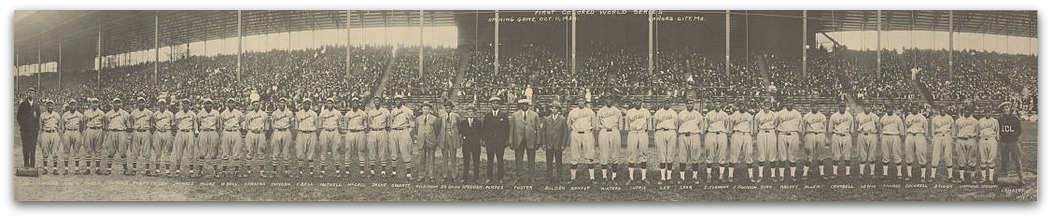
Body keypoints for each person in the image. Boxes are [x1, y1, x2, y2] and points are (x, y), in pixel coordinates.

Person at [509, 98, 541, 184]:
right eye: (522, 104)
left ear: (528, 105)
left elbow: (538, 129)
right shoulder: (515, 115)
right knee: (518, 159)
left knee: (531, 159)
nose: (524, 106)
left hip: (531, 140)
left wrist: (538, 141)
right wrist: (511, 141)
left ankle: (531, 177)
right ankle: (519, 176)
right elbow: (511, 129)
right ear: (520, 105)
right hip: (519, 140)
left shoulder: (534, 115)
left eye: (526, 104)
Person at [567, 96, 596, 184]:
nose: (581, 102)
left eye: (582, 101)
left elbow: (594, 125)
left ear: (585, 102)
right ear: (577, 102)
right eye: (579, 101)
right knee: (574, 155)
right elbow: (569, 124)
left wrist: (589, 131)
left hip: (587, 133)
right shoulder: (572, 112)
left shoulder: (590, 112)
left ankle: (592, 178)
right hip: (576, 133)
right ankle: (572, 178)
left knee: (590, 155)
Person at [482, 96, 509, 184]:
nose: (495, 104)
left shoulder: (503, 115)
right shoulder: (487, 115)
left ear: (499, 104)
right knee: (490, 159)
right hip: (490, 141)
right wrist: (484, 140)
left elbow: (506, 129)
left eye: (496, 103)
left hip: (500, 141)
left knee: (500, 159)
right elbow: (484, 129)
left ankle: (500, 177)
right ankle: (489, 177)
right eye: (493, 103)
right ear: (491, 104)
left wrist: (506, 140)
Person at [595, 96, 622, 183]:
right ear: (605, 100)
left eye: (610, 99)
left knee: (615, 154)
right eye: (607, 99)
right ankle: (604, 176)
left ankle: (614, 177)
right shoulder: (600, 111)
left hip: (614, 131)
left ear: (612, 100)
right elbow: (598, 124)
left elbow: (620, 124)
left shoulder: (617, 111)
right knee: (604, 154)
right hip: (604, 130)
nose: (609, 100)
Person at [624, 97, 651, 184]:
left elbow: (649, 123)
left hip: (642, 132)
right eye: (636, 101)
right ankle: (631, 177)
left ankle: (643, 177)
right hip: (633, 132)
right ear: (633, 102)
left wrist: (646, 130)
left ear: (642, 102)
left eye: (639, 101)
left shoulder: (646, 111)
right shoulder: (630, 112)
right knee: (631, 154)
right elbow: (627, 126)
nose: (637, 102)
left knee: (643, 154)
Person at [997, 102, 1025, 184]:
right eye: (1004, 108)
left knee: (1017, 159)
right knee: (1004, 160)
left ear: (1009, 109)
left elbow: (1019, 130)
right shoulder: (1000, 119)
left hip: (1013, 142)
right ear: (1002, 110)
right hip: (1004, 142)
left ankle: (1020, 176)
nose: (1005, 110)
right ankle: (1004, 175)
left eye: (1006, 108)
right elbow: (999, 131)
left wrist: (1012, 136)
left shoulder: (1015, 118)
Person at [678, 98, 704, 184]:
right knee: (682, 156)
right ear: (686, 104)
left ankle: (694, 177)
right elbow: (677, 125)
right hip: (683, 135)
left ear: (694, 104)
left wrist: (695, 132)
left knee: (695, 156)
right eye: (688, 103)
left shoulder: (698, 114)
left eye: (691, 103)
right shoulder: (681, 114)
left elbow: (701, 127)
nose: (689, 105)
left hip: (694, 135)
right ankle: (682, 177)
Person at [541, 103, 568, 184]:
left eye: (555, 108)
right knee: (549, 161)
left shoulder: (562, 119)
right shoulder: (546, 119)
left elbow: (565, 133)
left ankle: (559, 177)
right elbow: (543, 132)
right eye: (552, 108)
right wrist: (544, 144)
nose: (554, 110)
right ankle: (549, 177)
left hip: (558, 144)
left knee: (559, 162)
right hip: (549, 144)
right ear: (550, 109)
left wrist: (563, 144)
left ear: (559, 109)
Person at [389, 95, 415, 179]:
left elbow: (412, 124)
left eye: (399, 100)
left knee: (405, 151)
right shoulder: (393, 111)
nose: (397, 101)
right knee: (393, 152)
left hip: (404, 130)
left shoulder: (408, 110)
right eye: (396, 100)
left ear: (402, 100)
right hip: (394, 131)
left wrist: (408, 132)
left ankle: (408, 173)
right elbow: (391, 123)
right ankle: (394, 172)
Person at [728, 102, 755, 182]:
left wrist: (750, 135)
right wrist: (730, 135)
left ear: (746, 106)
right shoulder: (733, 115)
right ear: (738, 106)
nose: (742, 106)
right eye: (740, 105)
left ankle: (751, 176)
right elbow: (730, 127)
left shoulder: (749, 115)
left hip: (746, 134)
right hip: (737, 134)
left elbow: (752, 128)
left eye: (743, 105)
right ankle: (730, 175)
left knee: (749, 154)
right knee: (733, 155)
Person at [776, 101, 802, 181]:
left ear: (793, 104)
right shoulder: (780, 113)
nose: (789, 104)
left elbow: (800, 127)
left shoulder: (797, 113)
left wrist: (799, 137)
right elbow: (775, 125)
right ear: (785, 104)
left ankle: (792, 175)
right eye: (788, 103)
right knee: (781, 155)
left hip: (794, 134)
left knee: (793, 155)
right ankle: (781, 175)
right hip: (782, 134)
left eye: (791, 103)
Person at [103, 98, 130, 175]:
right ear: (112, 104)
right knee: (110, 152)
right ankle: (108, 169)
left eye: (118, 103)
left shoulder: (125, 113)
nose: (116, 104)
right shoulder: (108, 114)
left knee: (123, 152)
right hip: (111, 132)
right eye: (115, 103)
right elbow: (105, 125)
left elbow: (128, 125)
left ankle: (125, 169)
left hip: (121, 132)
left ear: (120, 104)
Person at [704, 100, 729, 182]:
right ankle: (708, 175)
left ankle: (721, 176)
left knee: (722, 155)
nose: (717, 105)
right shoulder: (709, 114)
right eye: (716, 104)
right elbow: (706, 126)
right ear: (713, 105)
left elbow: (726, 126)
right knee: (710, 155)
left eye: (718, 104)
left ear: (721, 105)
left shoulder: (725, 114)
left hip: (721, 134)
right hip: (711, 133)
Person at [415, 102, 441, 182]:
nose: (425, 110)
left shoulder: (434, 119)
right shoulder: (418, 118)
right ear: (421, 109)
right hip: (421, 141)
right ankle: (421, 175)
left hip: (431, 141)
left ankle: (431, 176)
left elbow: (437, 130)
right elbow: (416, 129)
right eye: (424, 109)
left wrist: (432, 138)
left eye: (427, 109)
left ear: (430, 110)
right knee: (421, 159)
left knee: (431, 159)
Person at [342, 97, 368, 177]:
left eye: (356, 102)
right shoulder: (348, 114)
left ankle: (362, 172)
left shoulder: (363, 113)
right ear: (351, 103)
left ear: (358, 103)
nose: (355, 103)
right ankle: (347, 172)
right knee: (348, 151)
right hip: (351, 132)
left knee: (361, 151)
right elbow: (346, 125)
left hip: (360, 132)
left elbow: (365, 125)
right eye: (353, 102)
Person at [905, 103, 930, 182]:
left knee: (921, 154)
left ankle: (923, 176)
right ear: (911, 108)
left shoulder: (922, 117)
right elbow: (905, 128)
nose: (914, 108)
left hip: (920, 135)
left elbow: (925, 128)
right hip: (910, 135)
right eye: (913, 107)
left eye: (916, 107)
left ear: (918, 108)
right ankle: (909, 174)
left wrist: (925, 136)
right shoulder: (908, 117)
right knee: (909, 154)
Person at [801, 101, 827, 179]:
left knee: (821, 155)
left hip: (820, 134)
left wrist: (824, 136)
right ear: (810, 107)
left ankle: (822, 174)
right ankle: (805, 174)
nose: (814, 108)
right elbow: (803, 128)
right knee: (809, 155)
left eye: (816, 106)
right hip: (810, 134)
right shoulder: (806, 116)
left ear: (818, 107)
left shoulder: (822, 116)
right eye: (813, 106)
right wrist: (804, 137)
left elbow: (824, 127)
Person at [294, 98, 319, 178]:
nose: (307, 105)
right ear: (302, 104)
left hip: (311, 133)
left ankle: (311, 172)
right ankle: (300, 172)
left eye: (308, 104)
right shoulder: (298, 114)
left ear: (310, 105)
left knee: (311, 153)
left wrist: (315, 135)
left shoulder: (314, 114)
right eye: (305, 103)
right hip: (301, 133)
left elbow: (316, 125)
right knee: (300, 152)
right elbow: (296, 126)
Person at [930, 104, 956, 182]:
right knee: (935, 155)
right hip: (938, 136)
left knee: (948, 155)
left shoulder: (950, 118)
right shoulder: (935, 119)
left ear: (946, 109)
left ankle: (950, 176)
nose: (942, 110)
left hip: (947, 136)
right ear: (939, 110)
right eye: (941, 109)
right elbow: (932, 130)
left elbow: (953, 130)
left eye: (944, 109)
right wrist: (934, 137)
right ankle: (932, 176)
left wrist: (951, 137)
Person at [219, 98, 244, 177]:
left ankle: (236, 171)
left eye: (232, 102)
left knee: (236, 152)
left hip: (236, 131)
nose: (230, 104)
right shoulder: (223, 114)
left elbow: (241, 123)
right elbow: (221, 125)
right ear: (227, 104)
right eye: (229, 102)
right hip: (226, 131)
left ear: (234, 104)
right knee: (225, 151)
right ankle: (224, 171)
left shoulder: (239, 113)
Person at [954, 106, 980, 183]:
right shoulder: (958, 120)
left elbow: (977, 132)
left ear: (970, 111)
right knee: (961, 158)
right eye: (965, 110)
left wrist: (973, 136)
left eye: (968, 110)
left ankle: (972, 177)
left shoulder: (975, 121)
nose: (966, 112)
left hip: (971, 139)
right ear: (963, 111)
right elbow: (956, 131)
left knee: (972, 158)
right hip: (961, 140)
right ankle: (961, 177)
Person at [269, 98, 294, 177]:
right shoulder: (274, 113)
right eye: (280, 102)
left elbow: (292, 122)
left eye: (283, 102)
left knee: (286, 152)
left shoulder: (289, 112)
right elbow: (271, 123)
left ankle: (287, 171)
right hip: (277, 131)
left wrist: (287, 126)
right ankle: (274, 171)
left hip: (286, 131)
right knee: (275, 152)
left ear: (285, 103)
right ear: (278, 104)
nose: (282, 104)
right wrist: (275, 128)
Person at [17, 88, 41, 171]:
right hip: (25, 130)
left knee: (33, 146)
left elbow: (39, 118)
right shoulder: (23, 104)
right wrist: (23, 125)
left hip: (34, 130)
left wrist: (36, 117)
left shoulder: (37, 105)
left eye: (32, 92)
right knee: (26, 147)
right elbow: (18, 117)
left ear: (34, 95)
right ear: (27, 94)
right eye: (29, 92)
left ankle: (32, 164)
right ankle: (26, 163)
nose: (31, 94)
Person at [828, 102, 854, 178]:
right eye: (840, 106)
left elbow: (852, 129)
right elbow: (830, 129)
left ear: (845, 107)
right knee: (836, 155)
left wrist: (849, 133)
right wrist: (834, 133)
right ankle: (835, 172)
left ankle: (847, 173)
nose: (842, 108)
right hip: (836, 135)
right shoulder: (834, 116)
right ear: (838, 107)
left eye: (843, 106)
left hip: (846, 135)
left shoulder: (849, 116)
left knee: (847, 155)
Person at [196, 98, 221, 177]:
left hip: (213, 131)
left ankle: (215, 171)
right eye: (206, 103)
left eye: (209, 103)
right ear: (204, 105)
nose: (208, 105)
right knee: (202, 153)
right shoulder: (200, 114)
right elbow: (198, 123)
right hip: (203, 132)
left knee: (214, 153)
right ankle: (200, 171)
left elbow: (218, 125)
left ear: (212, 104)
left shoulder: (216, 113)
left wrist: (218, 134)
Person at [438, 101, 462, 182]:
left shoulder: (457, 116)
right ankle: (444, 175)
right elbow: (439, 127)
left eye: (449, 107)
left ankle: (454, 175)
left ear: (452, 108)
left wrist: (456, 136)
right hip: (444, 138)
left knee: (453, 157)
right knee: (444, 158)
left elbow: (459, 128)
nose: (448, 109)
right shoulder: (442, 116)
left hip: (452, 139)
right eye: (446, 107)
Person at [459, 105, 484, 183]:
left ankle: (476, 178)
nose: (470, 113)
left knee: (476, 161)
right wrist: (464, 137)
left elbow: (480, 132)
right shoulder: (463, 122)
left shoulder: (478, 122)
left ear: (474, 113)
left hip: (475, 144)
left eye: (472, 112)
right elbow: (461, 131)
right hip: (466, 144)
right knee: (466, 161)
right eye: (469, 112)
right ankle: (465, 177)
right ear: (467, 113)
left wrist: (477, 139)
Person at [172, 99, 197, 177]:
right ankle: (178, 170)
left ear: (189, 105)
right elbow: (175, 125)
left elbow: (195, 124)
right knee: (179, 152)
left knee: (190, 152)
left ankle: (191, 171)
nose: (185, 105)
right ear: (182, 105)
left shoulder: (192, 114)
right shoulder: (178, 114)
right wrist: (175, 132)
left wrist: (196, 131)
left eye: (187, 103)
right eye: (184, 103)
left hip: (189, 132)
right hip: (180, 132)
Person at [855, 102, 880, 178]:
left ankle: (872, 173)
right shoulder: (859, 116)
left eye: (868, 106)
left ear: (871, 107)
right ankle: (861, 173)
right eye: (865, 106)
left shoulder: (875, 116)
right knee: (862, 154)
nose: (867, 107)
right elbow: (856, 126)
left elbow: (878, 126)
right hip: (862, 134)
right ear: (863, 107)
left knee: (872, 154)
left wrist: (876, 134)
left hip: (872, 134)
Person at [367, 97, 390, 177]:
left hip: (382, 131)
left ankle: (383, 171)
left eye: (378, 101)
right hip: (373, 131)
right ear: (374, 102)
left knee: (383, 151)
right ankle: (372, 171)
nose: (376, 102)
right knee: (372, 151)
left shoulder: (386, 112)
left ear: (381, 102)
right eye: (375, 101)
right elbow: (368, 123)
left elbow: (388, 124)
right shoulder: (370, 112)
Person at [129, 97, 153, 176]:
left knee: (147, 151)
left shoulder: (149, 112)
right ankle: (134, 169)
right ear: (137, 103)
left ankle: (147, 170)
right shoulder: (133, 113)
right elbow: (131, 123)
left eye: (143, 102)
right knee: (135, 151)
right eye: (140, 102)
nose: (141, 104)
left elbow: (152, 123)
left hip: (146, 131)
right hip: (136, 132)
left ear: (145, 103)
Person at [755, 101, 778, 182]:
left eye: (768, 105)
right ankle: (760, 175)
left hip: (771, 132)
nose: (767, 107)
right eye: (765, 105)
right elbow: (756, 125)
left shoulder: (774, 114)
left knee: (772, 153)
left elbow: (776, 123)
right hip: (761, 132)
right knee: (761, 153)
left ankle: (773, 175)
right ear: (763, 106)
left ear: (770, 106)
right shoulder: (758, 115)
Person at [318, 98, 341, 177]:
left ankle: (337, 171)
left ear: (333, 104)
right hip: (325, 131)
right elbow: (320, 125)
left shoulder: (337, 113)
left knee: (336, 150)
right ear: (326, 104)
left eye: (331, 103)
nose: (330, 104)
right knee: (323, 150)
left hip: (334, 131)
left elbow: (339, 124)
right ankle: (322, 171)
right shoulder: (322, 113)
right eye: (328, 103)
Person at [151, 98, 175, 177]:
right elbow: (153, 125)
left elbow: (173, 125)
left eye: (163, 104)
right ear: (158, 105)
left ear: (166, 105)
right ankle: (157, 171)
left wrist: (170, 132)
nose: (162, 105)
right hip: (158, 133)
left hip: (167, 132)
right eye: (160, 104)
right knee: (158, 152)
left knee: (167, 152)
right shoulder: (155, 114)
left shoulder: (170, 114)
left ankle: (167, 171)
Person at [243, 100, 267, 177]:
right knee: (249, 152)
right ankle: (248, 171)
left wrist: (263, 134)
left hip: (260, 133)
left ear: (259, 105)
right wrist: (252, 130)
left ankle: (262, 171)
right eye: (254, 105)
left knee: (261, 152)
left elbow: (266, 127)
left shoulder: (264, 114)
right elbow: (246, 127)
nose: (256, 106)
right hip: (251, 133)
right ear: (252, 106)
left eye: (257, 104)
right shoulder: (248, 115)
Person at [61, 99, 85, 175]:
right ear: (69, 106)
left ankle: (77, 169)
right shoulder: (65, 115)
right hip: (67, 131)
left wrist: (78, 132)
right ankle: (66, 169)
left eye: (74, 104)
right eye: (71, 104)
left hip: (76, 131)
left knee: (77, 151)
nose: (72, 106)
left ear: (76, 105)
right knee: (66, 151)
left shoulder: (80, 115)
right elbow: (62, 126)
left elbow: (82, 125)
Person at [83, 98, 105, 174]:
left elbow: (104, 123)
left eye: (96, 102)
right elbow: (84, 123)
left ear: (98, 104)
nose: (94, 104)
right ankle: (88, 168)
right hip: (89, 129)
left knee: (98, 150)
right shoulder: (86, 113)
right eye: (93, 102)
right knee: (88, 149)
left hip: (99, 129)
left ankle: (97, 168)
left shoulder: (101, 113)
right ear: (90, 104)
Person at [977, 107, 1000, 184]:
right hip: (983, 139)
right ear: (984, 112)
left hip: (992, 139)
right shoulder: (980, 121)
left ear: (991, 112)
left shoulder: (995, 121)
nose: (987, 113)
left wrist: (996, 139)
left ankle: (990, 178)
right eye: (986, 112)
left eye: (988, 111)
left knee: (992, 158)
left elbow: (997, 131)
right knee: (983, 159)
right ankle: (983, 177)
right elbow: (978, 131)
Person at [39, 99, 61, 175]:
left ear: (53, 106)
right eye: (48, 104)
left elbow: (59, 125)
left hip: (54, 132)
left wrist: (58, 134)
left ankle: (55, 169)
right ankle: (45, 168)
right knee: (45, 151)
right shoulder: (43, 115)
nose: (49, 106)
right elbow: (41, 126)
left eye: (51, 104)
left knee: (55, 152)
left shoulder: (57, 115)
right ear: (46, 106)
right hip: (46, 132)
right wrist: (41, 136)